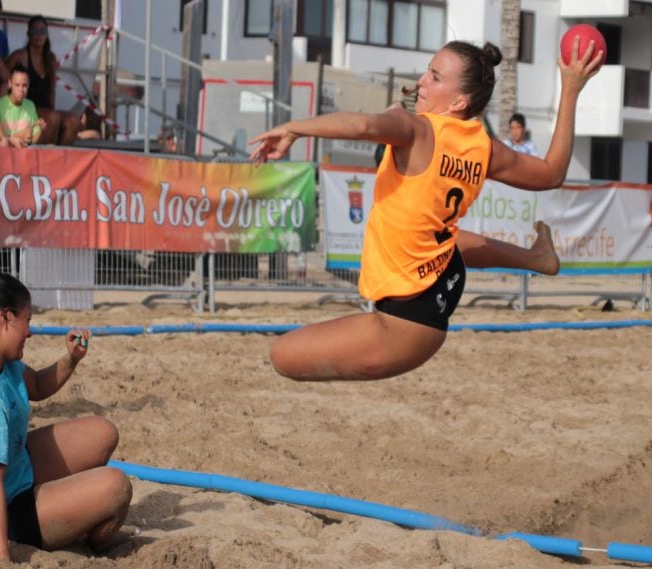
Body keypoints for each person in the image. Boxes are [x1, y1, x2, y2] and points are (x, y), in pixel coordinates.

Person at [249, 38, 601, 381]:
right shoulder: (483, 146)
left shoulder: (417, 129)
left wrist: (294, 128)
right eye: (427, 71)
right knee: (445, 235)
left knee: (281, 356)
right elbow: (552, 174)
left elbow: (363, 125)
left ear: (460, 100)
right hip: (439, 279)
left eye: (435, 76)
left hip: (406, 327)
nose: (421, 81)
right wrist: (570, 89)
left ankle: (535, 260)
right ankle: (536, 259)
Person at [0, 265, 133, 560]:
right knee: (116, 487)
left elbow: (37, 385)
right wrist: (2, 561)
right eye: (27, 319)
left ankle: (72, 515)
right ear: (5, 317)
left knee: (104, 433)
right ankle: (92, 543)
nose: (30, 330)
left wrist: (71, 359)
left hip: (13, 469)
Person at [5, 15, 79, 146]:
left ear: (47, 34)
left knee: (73, 121)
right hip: (25, 108)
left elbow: (51, 90)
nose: (38, 35)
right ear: (28, 33)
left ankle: (59, 159)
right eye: (35, 31)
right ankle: (44, 159)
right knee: (53, 117)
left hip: (45, 109)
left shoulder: (50, 58)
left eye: (42, 31)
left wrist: (52, 109)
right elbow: (4, 82)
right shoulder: (20, 56)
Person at [0, 65, 44, 148]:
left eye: (24, 85)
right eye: (17, 85)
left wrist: (40, 130)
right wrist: (19, 136)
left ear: (29, 85)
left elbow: (32, 141)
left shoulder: (30, 105)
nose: (21, 90)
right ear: (10, 84)